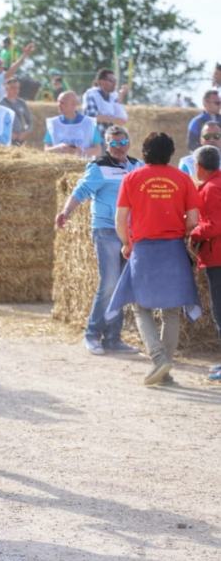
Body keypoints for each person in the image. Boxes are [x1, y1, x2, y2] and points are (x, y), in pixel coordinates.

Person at [108, 133, 201, 386]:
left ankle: (159, 359)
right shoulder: (183, 179)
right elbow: (193, 221)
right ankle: (165, 368)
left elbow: (120, 219)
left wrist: (127, 242)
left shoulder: (132, 178)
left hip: (144, 249)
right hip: (173, 249)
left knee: (140, 307)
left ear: (145, 151)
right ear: (171, 153)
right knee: (171, 311)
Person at [56, 125, 143, 355]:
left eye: (121, 142)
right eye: (112, 143)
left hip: (130, 233)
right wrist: (65, 212)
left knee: (122, 286)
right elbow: (80, 191)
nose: (118, 147)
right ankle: (92, 334)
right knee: (109, 283)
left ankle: (113, 338)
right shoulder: (98, 167)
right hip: (105, 229)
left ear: (128, 142)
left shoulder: (137, 166)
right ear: (106, 145)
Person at [189, 145, 221, 381]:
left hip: (217, 257)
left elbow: (215, 224)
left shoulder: (211, 188)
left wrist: (194, 232)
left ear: (199, 166)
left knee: (220, 312)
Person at [43, 90, 102, 158]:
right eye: (58, 102)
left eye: (62, 102)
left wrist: (80, 152)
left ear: (74, 104)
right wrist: (58, 148)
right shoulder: (53, 124)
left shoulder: (89, 123)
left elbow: (98, 150)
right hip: (59, 167)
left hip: (83, 166)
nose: (59, 105)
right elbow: (46, 150)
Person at [82, 68, 128, 137]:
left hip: (109, 138)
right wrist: (113, 119)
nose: (114, 83)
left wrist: (121, 96)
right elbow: (91, 117)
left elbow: (122, 119)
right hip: (95, 138)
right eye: (111, 81)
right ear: (101, 82)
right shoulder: (91, 94)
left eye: (115, 81)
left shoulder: (113, 96)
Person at [0, 76, 33, 145]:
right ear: (6, 88)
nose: (16, 90)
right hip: (5, 140)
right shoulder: (0, 104)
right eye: (12, 88)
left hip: (20, 139)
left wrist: (25, 133)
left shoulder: (22, 103)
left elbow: (30, 121)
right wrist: (8, 133)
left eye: (17, 88)